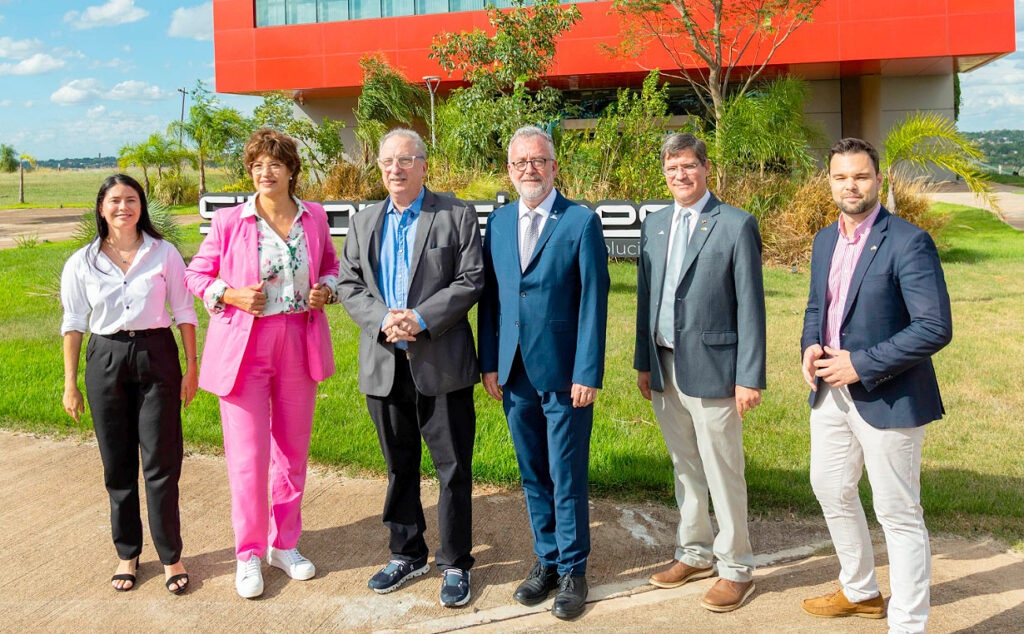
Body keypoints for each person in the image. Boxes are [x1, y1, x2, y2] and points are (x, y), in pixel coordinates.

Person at [799, 137, 953, 633]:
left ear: (879, 179)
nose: (851, 185)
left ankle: (908, 624)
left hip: (889, 396)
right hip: (830, 394)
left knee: (898, 512)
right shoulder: (825, 239)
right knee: (830, 488)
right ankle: (862, 590)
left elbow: (934, 327)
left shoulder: (908, 241)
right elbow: (817, 308)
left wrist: (861, 365)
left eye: (861, 176)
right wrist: (810, 345)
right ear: (830, 182)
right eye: (841, 176)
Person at [183, 128, 339, 599]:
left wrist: (325, 289)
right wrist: (228, 293)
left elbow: (331, 264)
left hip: (298, 341)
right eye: (256, 166)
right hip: (244, 349)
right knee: (248, 458)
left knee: (291, 453)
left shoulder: (313, 217)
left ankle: (284, 545)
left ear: (291, 169)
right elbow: (196, 273)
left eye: (273, 163)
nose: (264, 172)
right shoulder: (231, 221)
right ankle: (248, 553)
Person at [337, 128, 483, 608]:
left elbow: (470, 280)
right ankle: (407, 552)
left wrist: (418, 319)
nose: (395, 170)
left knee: (453, 467)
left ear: (424, 166)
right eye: (386, 162)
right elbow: (348, 282)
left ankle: (456, 561)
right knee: (399, 465)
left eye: (405, 160)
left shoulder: (456, 214)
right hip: (384, 361)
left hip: (441, 360)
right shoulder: (363, 222)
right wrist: (385, 320)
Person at [478, 125, 609, 621]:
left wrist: (588, 370)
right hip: (513, 372)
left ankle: (575, 569)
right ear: (509, 171)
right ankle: (548, 559)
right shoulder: (500, 221)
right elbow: (491, 299)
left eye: (537, 160)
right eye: (519, 163)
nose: (528, 169)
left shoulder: (579, 221)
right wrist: (489, 362)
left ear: (554, 166)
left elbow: (595, 301)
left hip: (564, 373)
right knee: (534, 473)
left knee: (566, 473)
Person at [634, 132, 765, 612]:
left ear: (705, 168)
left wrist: (748, 376)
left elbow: (751, 306)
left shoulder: (734, 224)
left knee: (723, 469)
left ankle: (736, 568)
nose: (680, 176)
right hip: (665, 366)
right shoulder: (656, 224)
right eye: (671, 170)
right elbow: (647, 298)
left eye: (688, 166)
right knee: (686, 466)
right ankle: (694, 553)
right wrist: (643, 362)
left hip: (715, 370)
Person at [60, 174, 198, 595]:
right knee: (116, 465)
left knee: (162, 463)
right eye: (115, 200)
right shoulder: (81, 262)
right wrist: (70, 383)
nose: (124, 207)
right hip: (104, 359)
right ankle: (128, 553)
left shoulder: (164, 253)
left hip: (157, 355)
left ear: (142, 207)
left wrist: (192, 366)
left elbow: (184, 309)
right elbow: (73, 323)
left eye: (131, 199)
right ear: (101, 208)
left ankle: (171, 555)